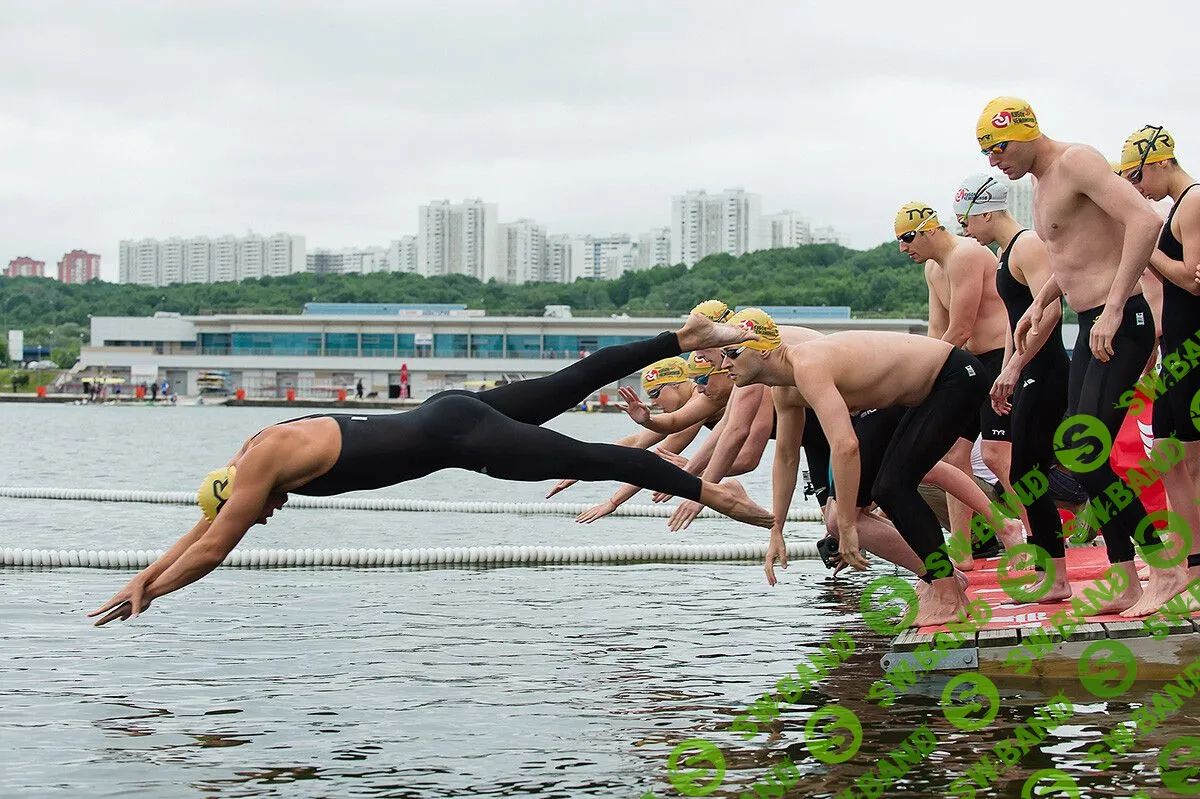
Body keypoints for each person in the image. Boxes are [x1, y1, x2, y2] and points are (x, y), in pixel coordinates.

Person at [88, 315, 773, 626]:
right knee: (573, 380)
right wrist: (146, 575)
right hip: (448, 409)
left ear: (244, 487)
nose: (263, 513)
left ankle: (713, 491)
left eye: (256, 507)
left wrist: (153, 590)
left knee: (583, 457)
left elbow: (212, 544)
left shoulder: (259, 472)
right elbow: (204, 527)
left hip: (458, 433)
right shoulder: (257, 444)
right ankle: (684, 337)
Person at [983, 96, 1190, 615]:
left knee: (1088, 450)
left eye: (999, 146)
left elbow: (1142, 222)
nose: (994, 161)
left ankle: (1165, 569)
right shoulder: (1041, 182)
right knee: (1079, 454)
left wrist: (1117, 306)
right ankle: (1125, 578)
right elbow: (1071, 255)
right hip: (1088, 321)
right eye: (987, 151)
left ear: (1028, 133)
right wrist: (1041, 303)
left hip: (1120, 323)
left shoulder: (1076, 161)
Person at [717, 307, 994, 627]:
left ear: (763, 350)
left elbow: (845, 445)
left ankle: (949, 591)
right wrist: (776, 528)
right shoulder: (785, 389)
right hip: (920, 393)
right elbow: (787, 457)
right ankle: (945, 582)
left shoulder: (807, 365)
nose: (724, 365)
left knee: (893, 487)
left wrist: (847, 523)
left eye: (732, 353)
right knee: (890, 488)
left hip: (955, 377)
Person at [954, 172, 1072, 602]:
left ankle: (1057, 571)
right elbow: (1012, 321)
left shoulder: (1027, 245)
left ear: (987, 211)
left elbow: (1052, 310)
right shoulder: (1004, 253)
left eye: (966, 219)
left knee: (1026, 472)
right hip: (1025, 370)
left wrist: (1016, 366)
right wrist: (1003, 374)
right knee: (1025, 473)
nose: (963, 229)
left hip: (1047, 368)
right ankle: (1053, 570)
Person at [896, 201, 1017, 571]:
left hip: (997, 360)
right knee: (950, 455)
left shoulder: (966, 253)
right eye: (899, 241)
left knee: (998, 456)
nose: (904, 248)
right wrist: (922, 380)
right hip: (968, 363)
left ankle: (1036, 535)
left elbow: (961, 328)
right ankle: (963, 549)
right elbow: (938, 331)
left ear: (931, 229)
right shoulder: (934, 268)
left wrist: (927, 377)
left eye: (908, 238)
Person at [1117, 124, 1200, 581]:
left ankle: (1196, 564)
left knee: (1190, 458)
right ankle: (1188, 556)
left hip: (1193, 348)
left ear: (1162, 161)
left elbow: (1191, 279)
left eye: (1137, 176)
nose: (1136, 187)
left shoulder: (1194, 201)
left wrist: (1146, 249)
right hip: (1177, 347)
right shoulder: (1177, 208)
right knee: (1168, 454)